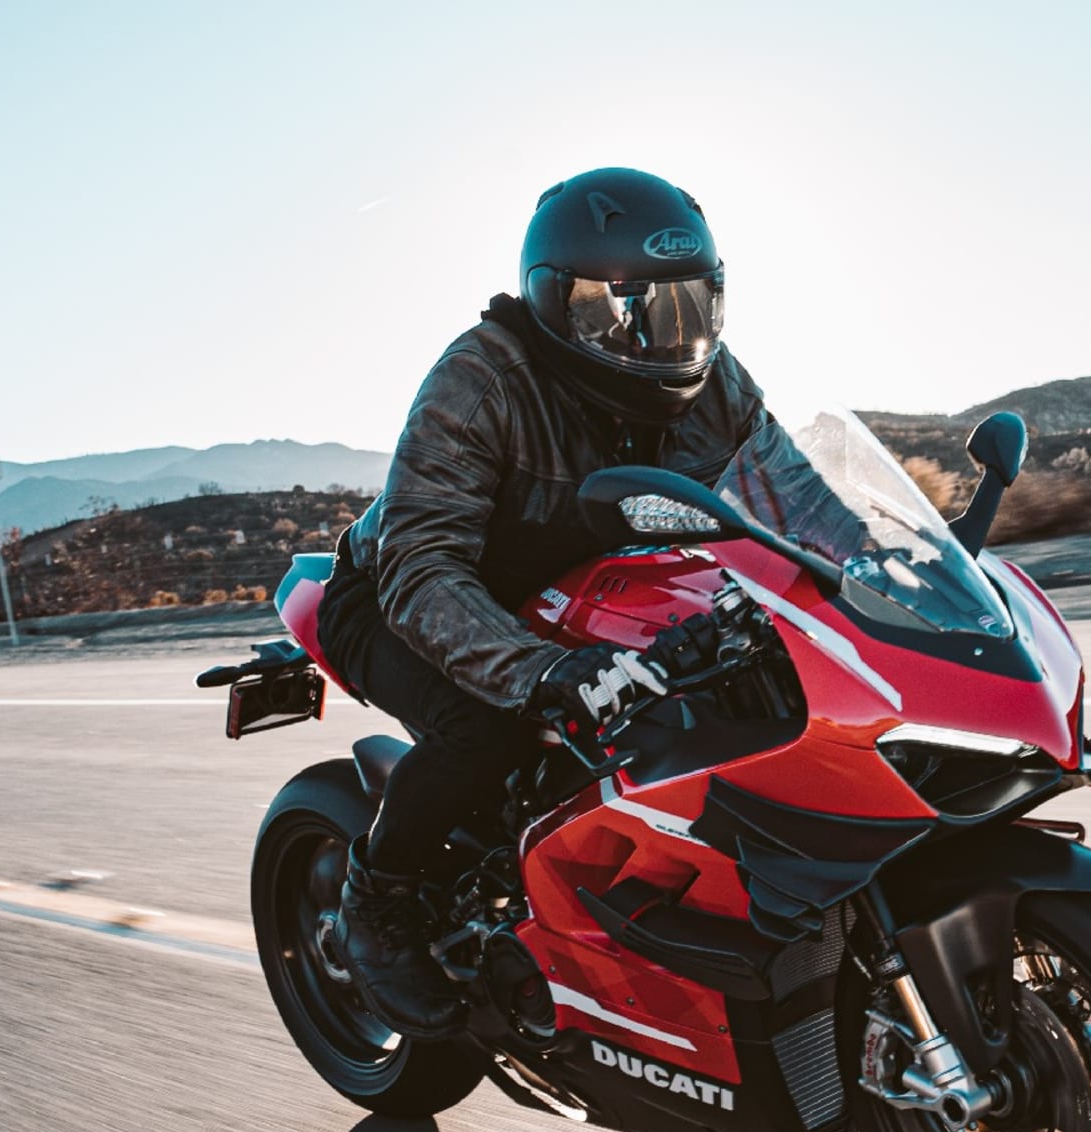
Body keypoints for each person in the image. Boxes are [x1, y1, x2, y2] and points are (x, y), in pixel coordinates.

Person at [317, 167, 765, 1035]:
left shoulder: (719, 383)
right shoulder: (483, 380)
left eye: (687, 307)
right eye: (630, 311)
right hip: (401, 595)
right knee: (485, 732)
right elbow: (421, 562)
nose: (664, 338)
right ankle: (375, 904)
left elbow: (789, 495)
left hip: (575, 590)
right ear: (562, 306)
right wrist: (542, 674)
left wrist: (888, 559)